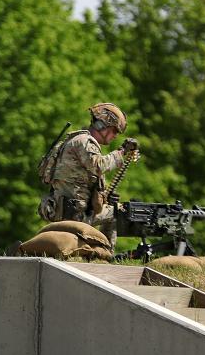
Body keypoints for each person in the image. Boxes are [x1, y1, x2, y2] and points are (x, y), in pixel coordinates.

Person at [38, 102, 140, 249]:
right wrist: (122, 152)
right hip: (74, 212)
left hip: (67, 208)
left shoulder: (79, 141)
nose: (115, 136)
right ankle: (105, 254)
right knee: (119, 213)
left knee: (111, 208)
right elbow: (99, 166)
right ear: (101, 126)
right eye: (114, 131)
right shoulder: (84, 142)